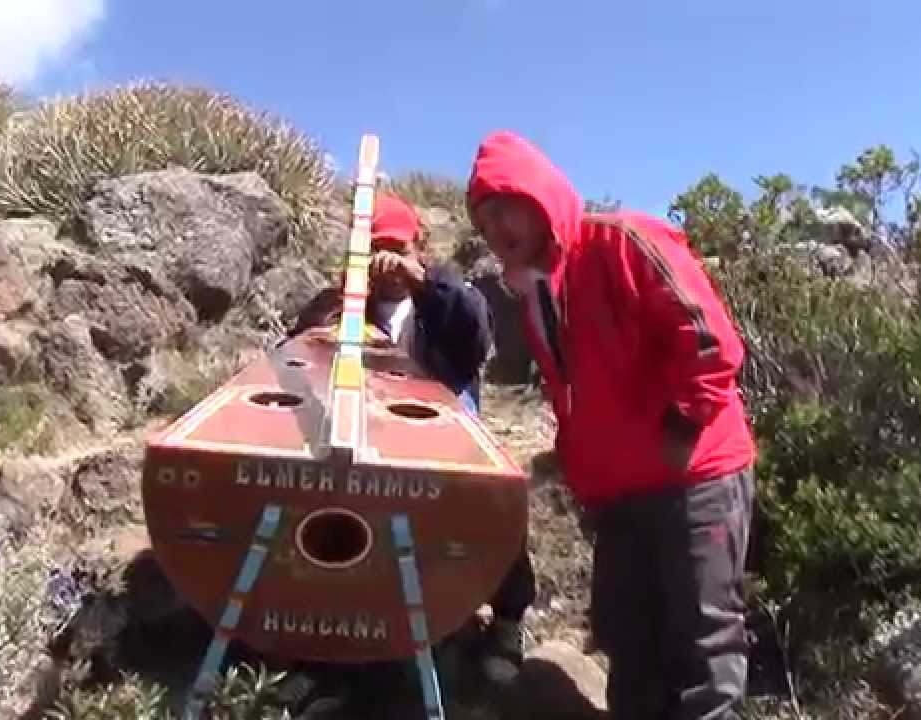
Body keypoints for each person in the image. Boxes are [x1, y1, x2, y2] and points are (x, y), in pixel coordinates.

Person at [465, 130, 757, 720]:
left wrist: (682, 430)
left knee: (704, 648)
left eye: (506, 207)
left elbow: (709, 341)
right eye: (484, 218)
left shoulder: (622, 241)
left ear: (540, 196)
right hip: (621, 497)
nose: (497, 228)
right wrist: (576, 468)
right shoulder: (536, 293)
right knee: (630, 650)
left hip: (694, 478)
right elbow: (575, 397)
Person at [275, 190, 538, 717]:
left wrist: (424, 281)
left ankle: (507, 623)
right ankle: (324, 656)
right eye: (377, 250)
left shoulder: (446, 297)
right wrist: (338, 306)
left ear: (420, 244)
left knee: (495, 493)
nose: (387, 262)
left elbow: (475, 336)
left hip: (442, 437)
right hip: (366, 446)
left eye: (397, 248)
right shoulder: (342, 303)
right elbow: (292, 358)